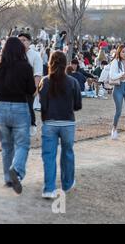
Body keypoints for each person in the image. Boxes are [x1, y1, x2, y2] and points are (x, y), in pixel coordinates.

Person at [0, 37, 36, 194]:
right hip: (20, 107)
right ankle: (17, 170)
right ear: (21, 50)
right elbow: (30, 90)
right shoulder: (26, 67)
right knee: (22, 144)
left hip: (2, 107)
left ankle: (8, 179)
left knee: (6, 146)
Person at [38, 51, 82, 199]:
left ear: (50, 63)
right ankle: (67, 183)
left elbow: (42, 104)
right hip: (68, 122)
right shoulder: (73, 82)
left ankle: (49, 188)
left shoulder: (44, 81)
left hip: (49, 122)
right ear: (65, 64)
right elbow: (77, 105)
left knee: (49, 156)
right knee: (67, 153)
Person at [18, 33, 43, 137]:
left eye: (24, 40)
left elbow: (38, 73)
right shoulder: (16, 54)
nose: (22, 42)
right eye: (19, 40)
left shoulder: (35, 55)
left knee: (28, 106)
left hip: (30, 86)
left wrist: (36, 88)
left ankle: (32, 125)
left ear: (29, 42)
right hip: (17, 86)